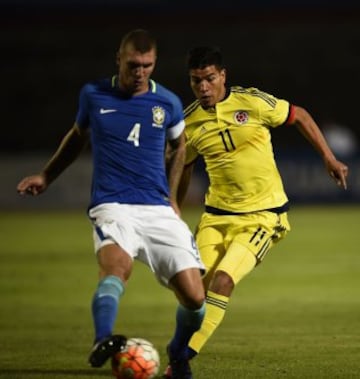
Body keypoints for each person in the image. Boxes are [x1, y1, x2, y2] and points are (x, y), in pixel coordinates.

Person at [17, 29, 206, 379]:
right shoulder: (93, 95)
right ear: (118, 58)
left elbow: (180, 147)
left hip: (157, 209)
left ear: (154, 63)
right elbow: (77, 137)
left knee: (196, 299)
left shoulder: (167, 102)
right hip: (113, 205)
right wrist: (46, 176)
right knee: (116, 270)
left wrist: (173, 200)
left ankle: (178, 354)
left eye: (148, 66)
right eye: (134, 64)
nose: (140, 72)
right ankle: (102, 340)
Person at [168, 46, 349, 366]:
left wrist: (328, 157)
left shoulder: (252, 102)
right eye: (196, 81)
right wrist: (174, 208)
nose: (204, 87)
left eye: (210, 79)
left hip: (263, 218)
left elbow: (299, 115)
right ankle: (179, 348)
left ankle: (181, 357)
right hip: (215, 217)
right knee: (193, 292)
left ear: (223, 76)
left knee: (224, 280)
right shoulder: (189, 122)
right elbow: (183, 167)